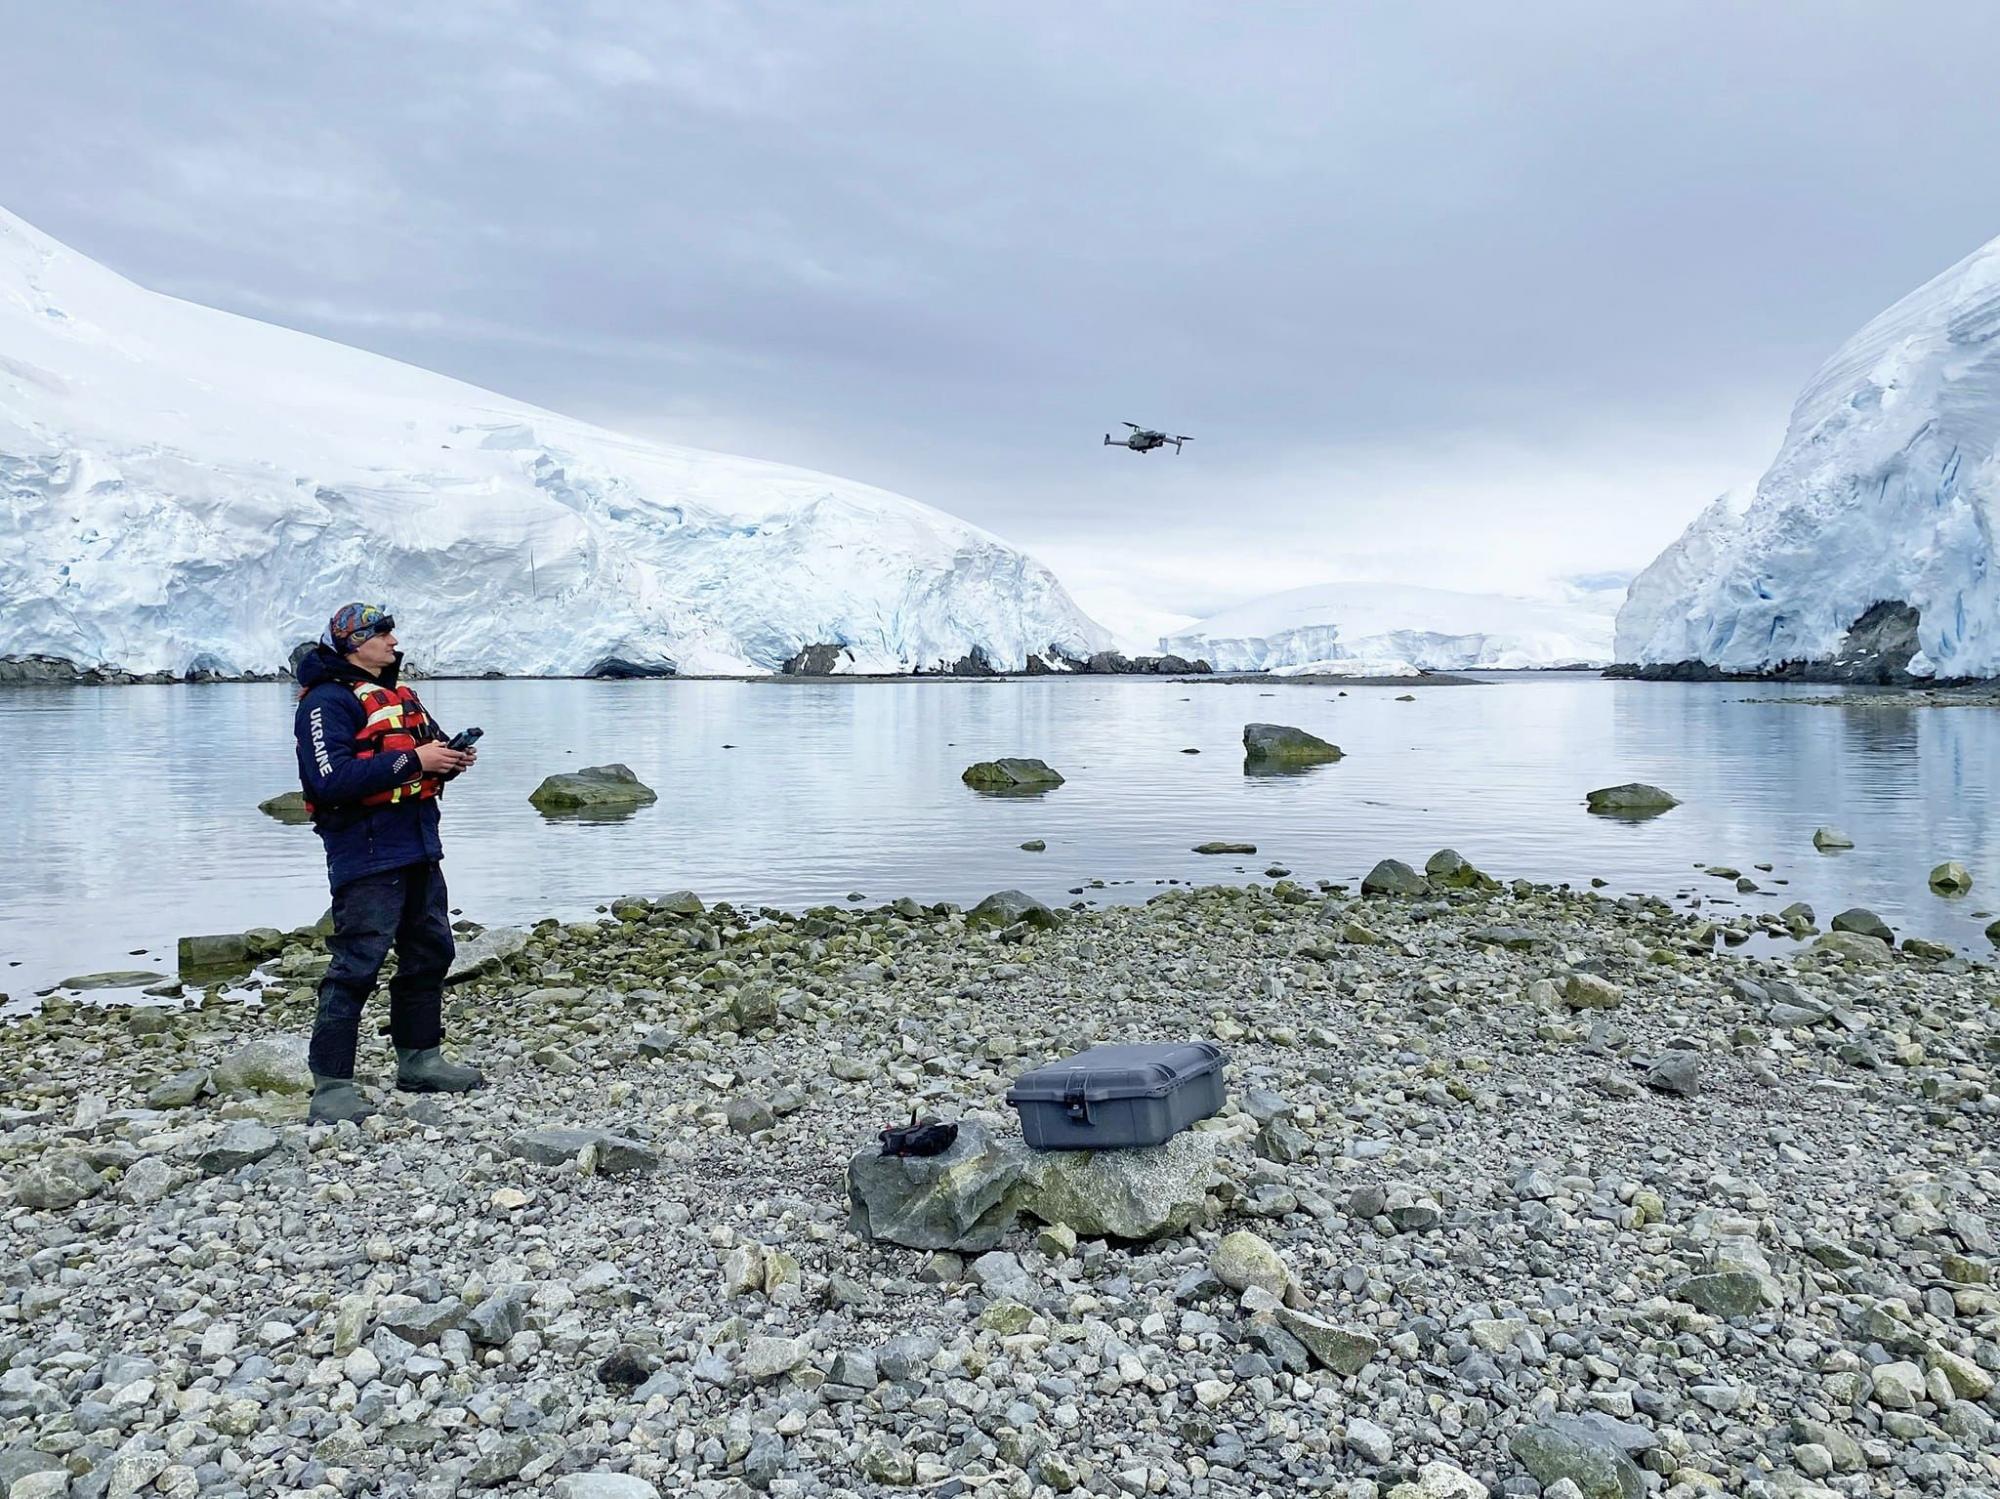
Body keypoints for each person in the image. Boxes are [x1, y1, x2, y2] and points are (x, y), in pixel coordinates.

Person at [294, 602, 485, 1124]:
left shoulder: (400, 696)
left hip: (418, 844)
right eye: (383, 634)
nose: (394, 642)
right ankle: (331, 1085)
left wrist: (448, 759)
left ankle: (419, 1059)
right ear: (354, 642)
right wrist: (415, 761)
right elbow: (329, 781)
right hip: (366, 852)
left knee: (430, 951)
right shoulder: (326, 703)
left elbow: (422, 756)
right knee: (356, 964)